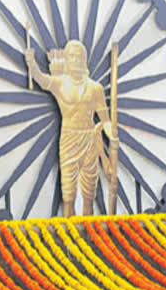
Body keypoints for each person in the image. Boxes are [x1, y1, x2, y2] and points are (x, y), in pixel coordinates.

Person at [25, 40, 116, 216]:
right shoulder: (60, 83)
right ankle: (69, 236)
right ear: (67, 59)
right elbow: (41, 80)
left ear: (85, 59)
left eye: (79, 56)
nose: (76, 60)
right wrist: (31, 62)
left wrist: (112, 136)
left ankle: (89, 234)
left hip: (89, 141)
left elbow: (105, 120)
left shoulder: (95, 88)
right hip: (68, 141)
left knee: (89, 195)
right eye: (72, 56)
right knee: (68, 196)